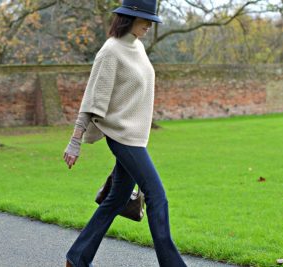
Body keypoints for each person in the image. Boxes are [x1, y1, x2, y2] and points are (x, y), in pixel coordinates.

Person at [63, 0, 187, 266]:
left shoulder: (138, 46)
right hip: (121, 137)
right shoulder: (111, 51)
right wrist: (75, 140)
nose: (148, 26)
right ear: (129, 17)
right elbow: (91, 98)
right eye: (145, 21)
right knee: (157, 195)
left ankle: (77, 257)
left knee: (115, 200)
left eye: (151, 22)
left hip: (135, 137)